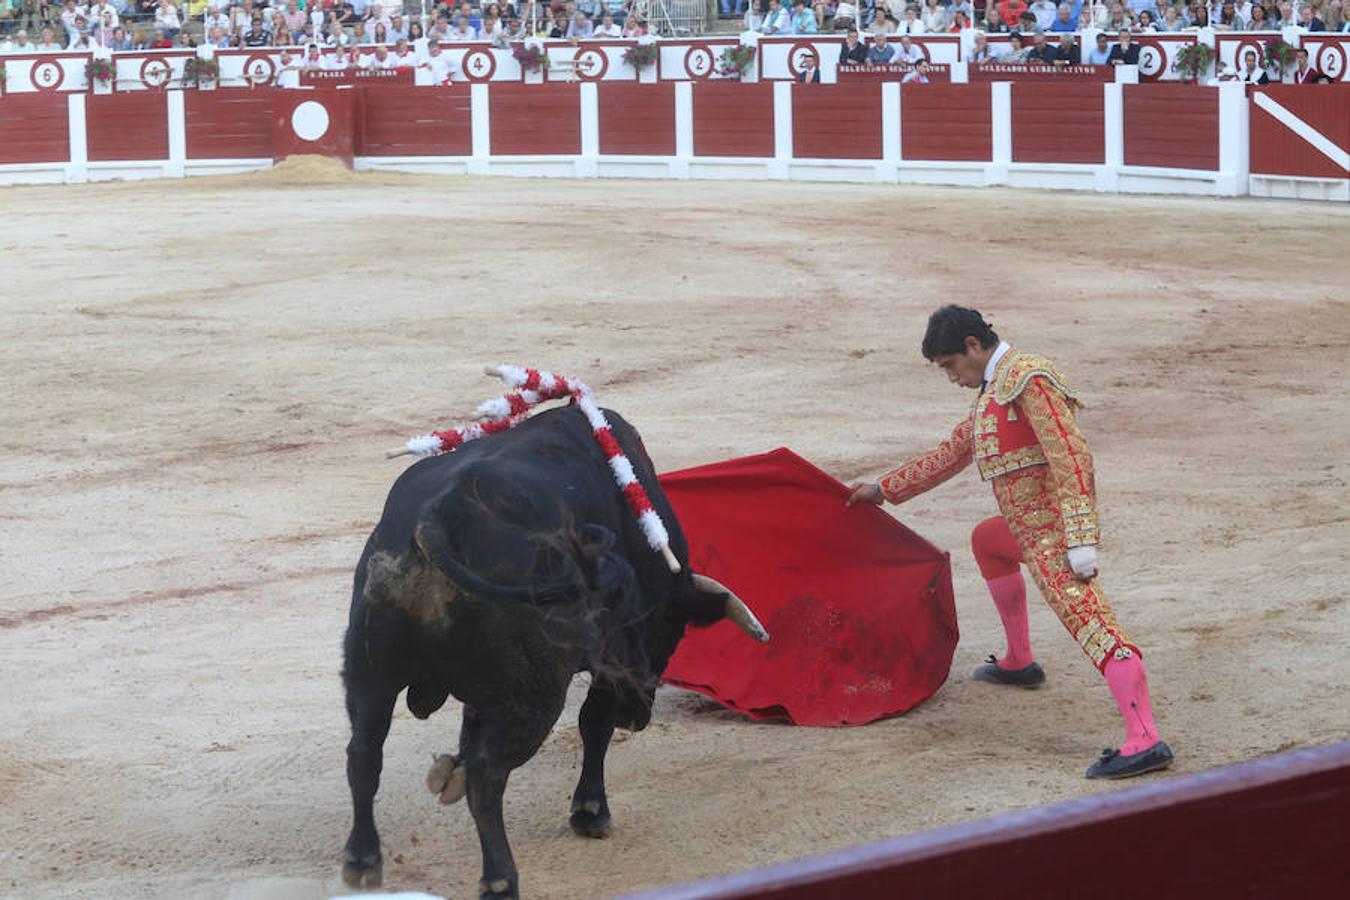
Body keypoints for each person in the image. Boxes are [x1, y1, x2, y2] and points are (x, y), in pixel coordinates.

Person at [846, 306, 1174, 781]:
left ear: (974, 347)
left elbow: (1070, 453)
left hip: (1054, 535)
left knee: (1093, 625)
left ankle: (1145, 737)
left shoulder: (1028, 378)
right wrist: (883, 489)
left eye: (950, 366)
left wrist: (1080, 540)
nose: (952, 377)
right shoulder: (992, 393)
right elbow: (952, 453)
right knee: (987, 541)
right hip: (1024, 529)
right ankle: (1019, 661)